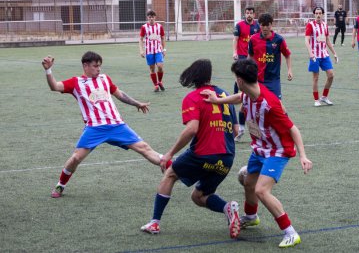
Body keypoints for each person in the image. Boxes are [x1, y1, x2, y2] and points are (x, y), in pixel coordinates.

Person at [201, 59, 313, 248]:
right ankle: (252, 217)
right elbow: (239, 98)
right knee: (249, 183)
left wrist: (303, 155)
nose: (236, 82)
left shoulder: (269, 104)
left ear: (241, 81)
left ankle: (290, 232)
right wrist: (218, 100)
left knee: (261, 190)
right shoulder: (248, 93)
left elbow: (293, 129)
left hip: (277, 152)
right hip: (260, 149)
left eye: (236, 78)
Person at [42, 51, 170, 198]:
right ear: (85, 66)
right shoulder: (76, 82)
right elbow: (54, 86)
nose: (99, 69)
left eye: (100, 66)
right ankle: (60, 185)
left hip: (117, 125)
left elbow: (119, 93)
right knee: (76, 158)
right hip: (94, 128)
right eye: (95, 66)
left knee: (144, 148)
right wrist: (48, 70)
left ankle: (172, 168)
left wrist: (136, 103)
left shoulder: (104, 79)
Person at [140, 59, 241, 239]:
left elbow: (192, 129)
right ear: (209, 76)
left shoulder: (193, 97)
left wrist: (169, 153)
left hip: (202, 154)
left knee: (170, 174)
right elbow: (235, 130)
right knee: (199, 196)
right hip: (227, 157)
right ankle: (228, 208)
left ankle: (154, 222)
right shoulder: (224, 94)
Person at [248, 13, 293, 100]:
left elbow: (287, 55)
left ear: (271, 25)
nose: (265, 28)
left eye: (267, 25)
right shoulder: (253, 39)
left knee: (278, 105)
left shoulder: (279, 39)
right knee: (255, 104)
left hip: (273, 80)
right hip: (257, 79)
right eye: (262, 25)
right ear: (259, 25)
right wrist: (247, 71)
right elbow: (250, 56)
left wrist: (290, 70)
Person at [232, 7, 260, 142]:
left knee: (249, 100)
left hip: (252, 60)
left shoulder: (258, 26)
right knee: (244, 93)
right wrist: (234, 52)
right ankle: (244, 127)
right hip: (242, 57)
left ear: (254, 14)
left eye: (251, 13)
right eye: (247, 13)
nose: (249, 15)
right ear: (245, 14)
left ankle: (245, 128)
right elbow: (235, 40)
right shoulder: (239, 25)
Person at [305, 7, 338, 107]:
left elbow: (327, 40)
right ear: (314, 14)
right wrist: (311, 54)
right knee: (315, 78)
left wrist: (334, 53)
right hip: (315, 55)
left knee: (331, 75)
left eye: (320, 13)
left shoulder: (325, 25)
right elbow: (306, 40)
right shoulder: (310, 25)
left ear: (323, 14)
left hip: (324, 55)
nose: (318, 15)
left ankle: (324, 97)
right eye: (316, 13)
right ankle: (316, 99)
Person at [139, 10, 167, 92]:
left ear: (155, 17)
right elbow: (140, 39)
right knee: (152, 69)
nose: (151, 19)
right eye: (149, 17)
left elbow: (162, 37)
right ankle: (156, 85)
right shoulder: (144, 27)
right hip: (149, 51)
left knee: (160, 66)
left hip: (158, 50)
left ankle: (160, 81)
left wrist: (164, 49)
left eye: (153, 17)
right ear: (148, 18)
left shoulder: (159, 26)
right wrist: (141, 50)